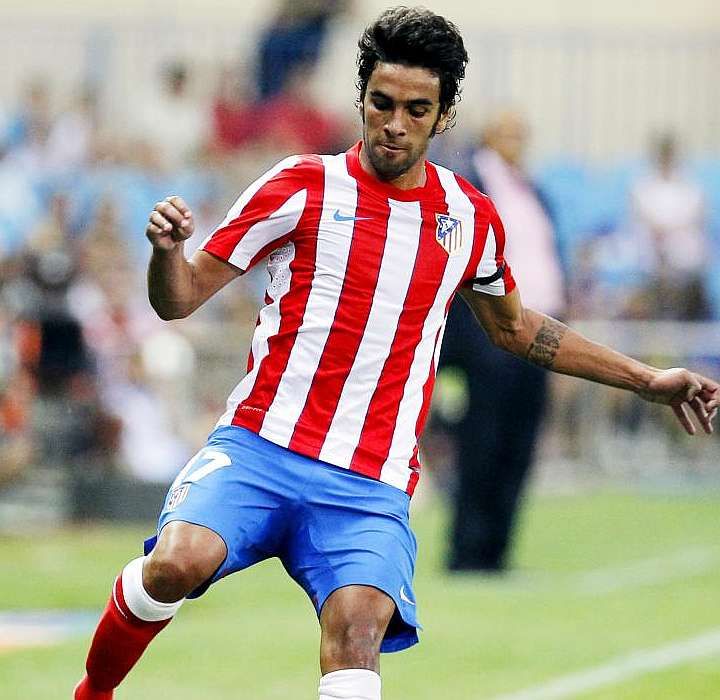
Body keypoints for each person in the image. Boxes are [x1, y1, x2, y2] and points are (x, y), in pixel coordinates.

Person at [74, 8, 719, 700]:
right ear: (361, 98)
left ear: (443, 117)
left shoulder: (467, 217)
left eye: (417, 110)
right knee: (176, 562)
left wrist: (646, 379)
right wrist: (166, 254)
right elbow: (178, 300)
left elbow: (517, 328)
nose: (394, 124)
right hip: (261, 447)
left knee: (358, 632)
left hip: (368, 482)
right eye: (381, 103)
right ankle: (93, 692)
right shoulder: (299, 185)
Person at [440, 109, 566, 572]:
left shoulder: (533, 191)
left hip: (540, 332)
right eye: (508, 133)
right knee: (482, 443)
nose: (517, 141)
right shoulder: (469, 183)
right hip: (490, 335)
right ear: (489, 135)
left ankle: (498, 551)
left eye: (521, 134)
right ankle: (468, 551)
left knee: (520, 444)